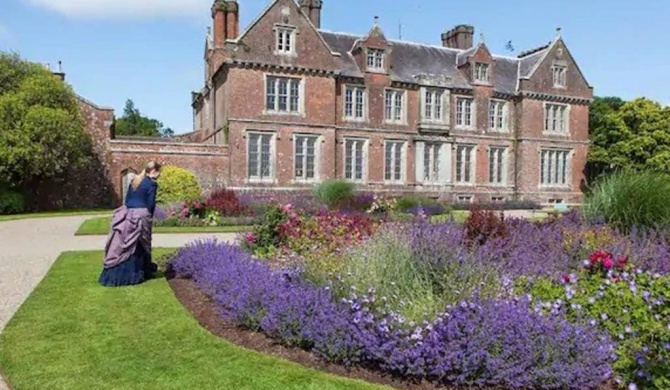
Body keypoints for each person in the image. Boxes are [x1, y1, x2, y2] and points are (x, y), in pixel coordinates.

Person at [99, 161, 162, 287]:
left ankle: (120, 273)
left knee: (123, 246)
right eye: (159, 172)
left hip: (127, 214)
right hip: (141, 215)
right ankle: (141, 272)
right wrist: (149, 217)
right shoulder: (152, 184)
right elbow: (151, 204)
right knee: (141, 244)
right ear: (154, 171)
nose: (160, 175)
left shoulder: (134, 181)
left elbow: (127, 200)